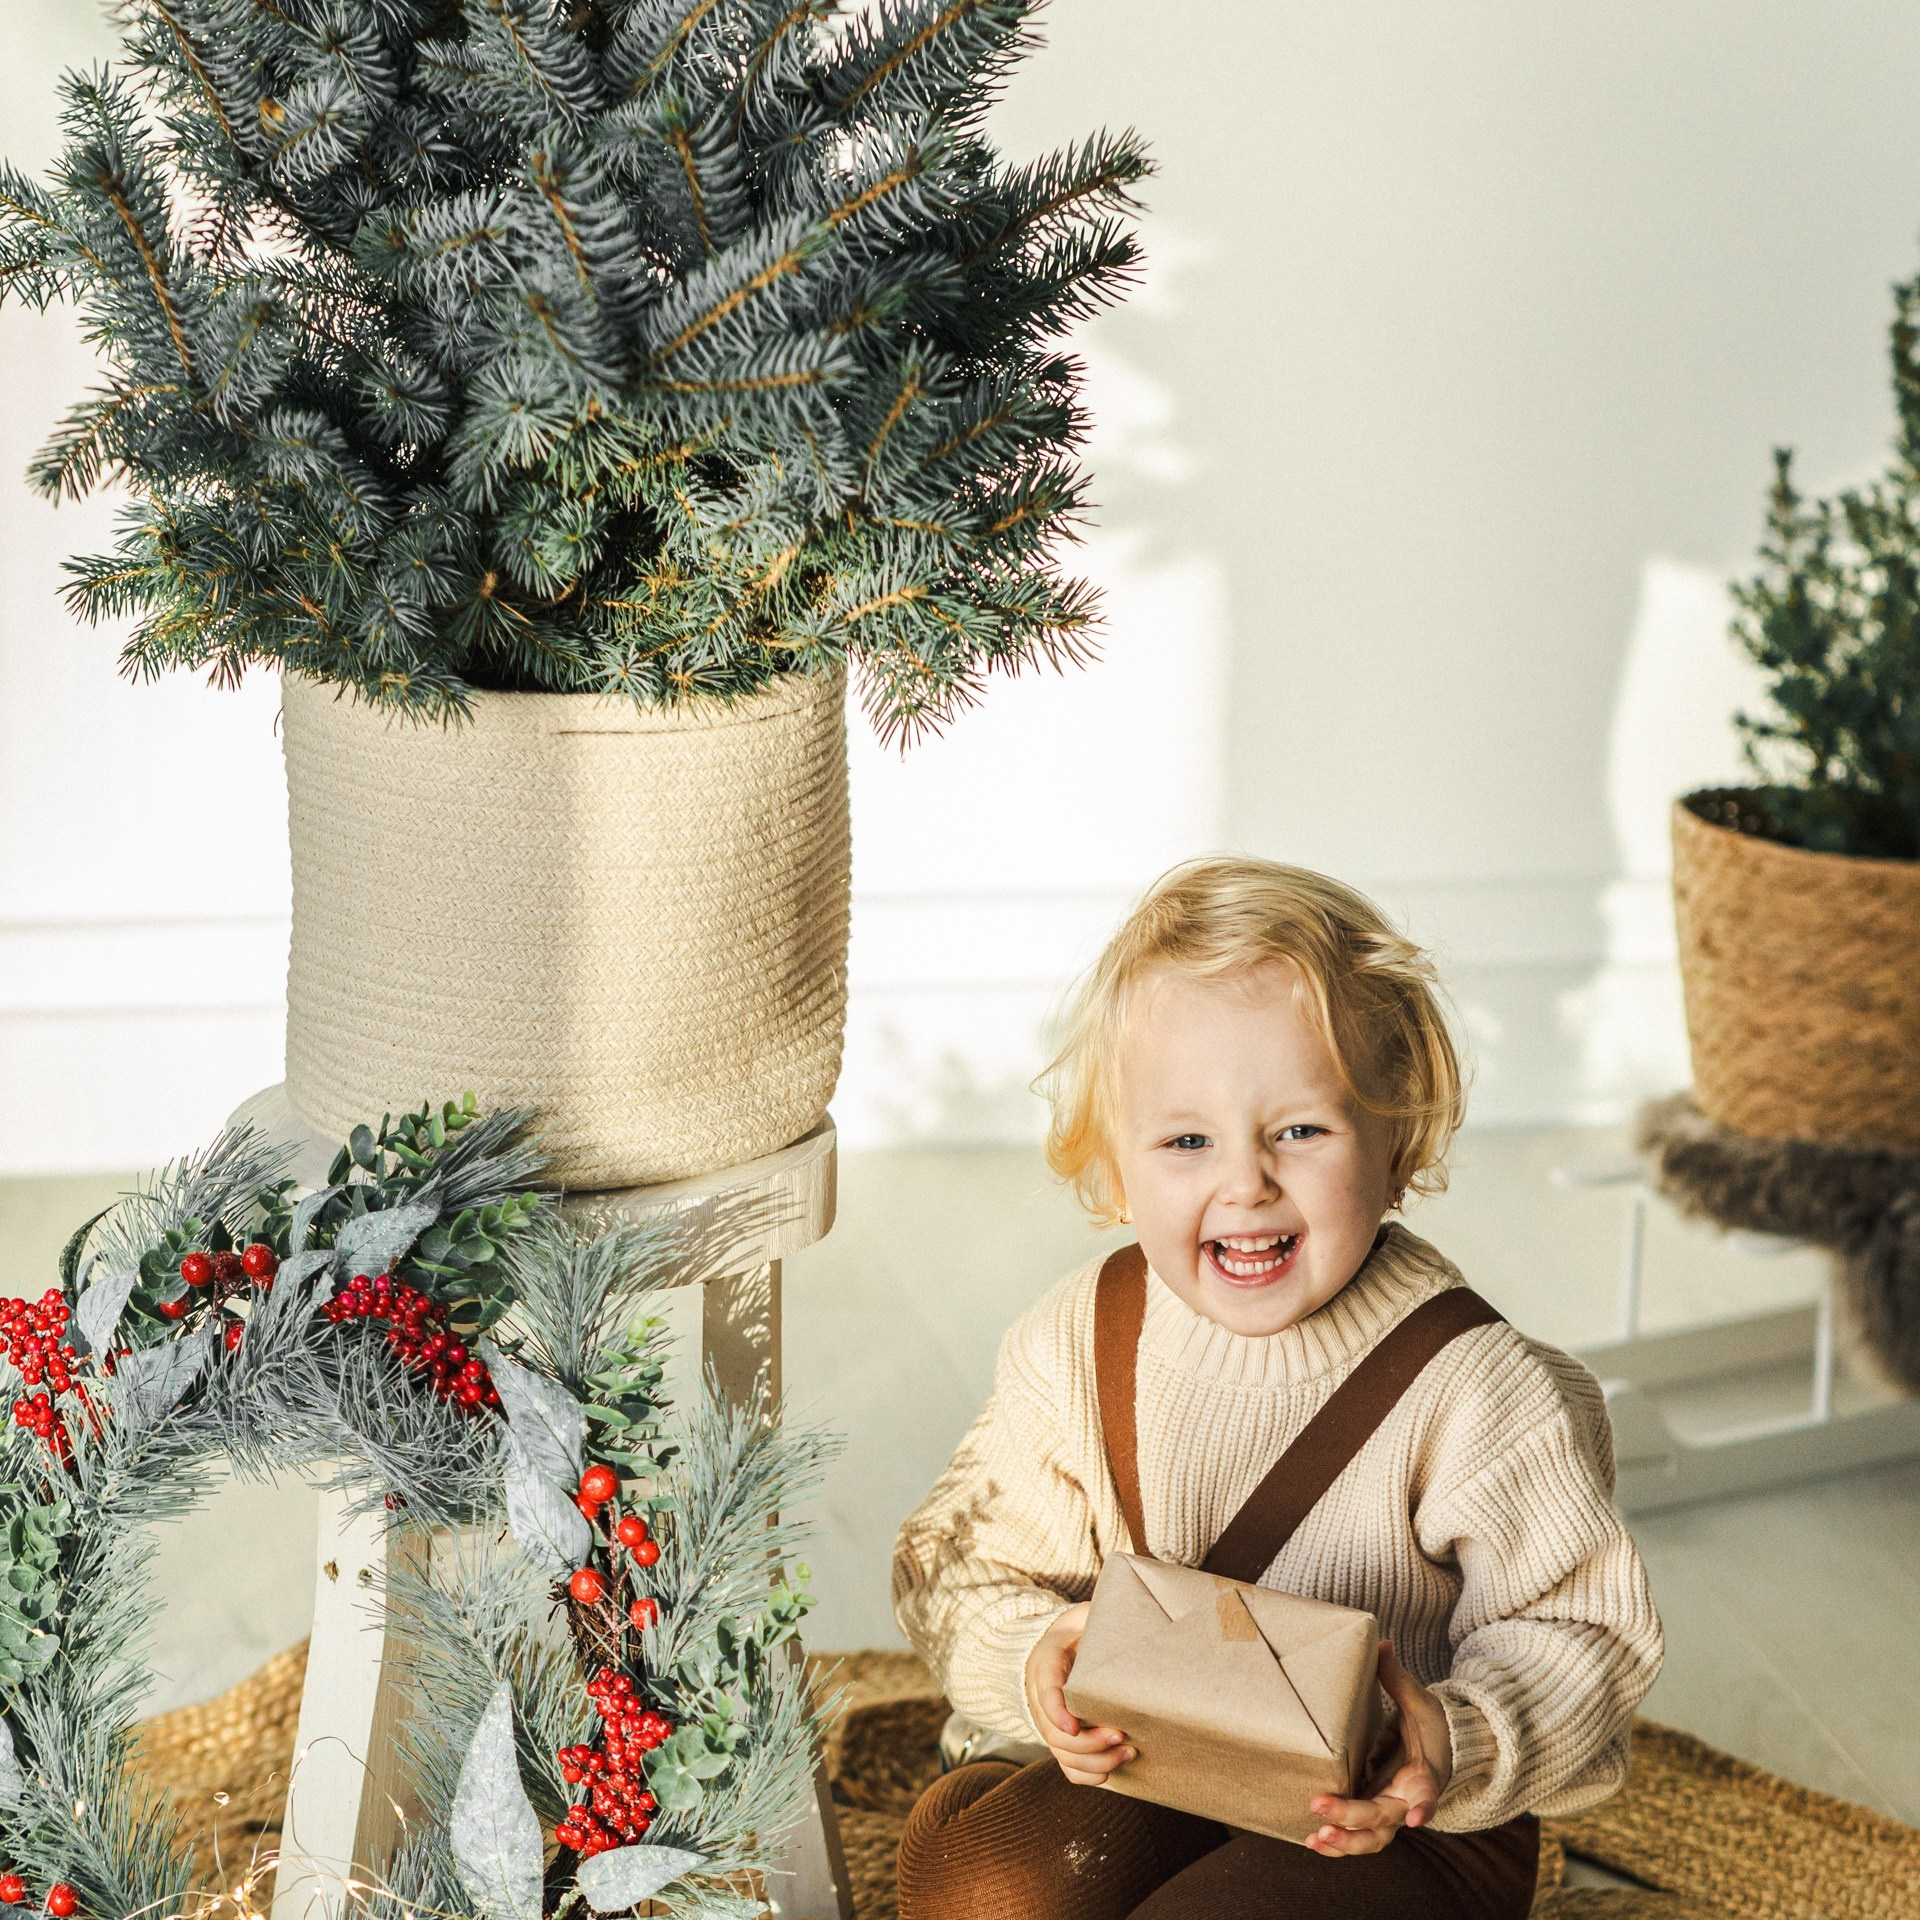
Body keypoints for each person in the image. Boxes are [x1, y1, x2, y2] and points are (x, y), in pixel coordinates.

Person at [890, 857, 1663, 1920]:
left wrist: (1450, 1736)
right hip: (1159, 1760)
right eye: (1186, 1140)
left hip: (1389, 1822)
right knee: (989, 1885)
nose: (1245, 1182)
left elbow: (1586, 1636)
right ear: (1116, 1163)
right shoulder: (1084, 1338)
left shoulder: (1475, 1385)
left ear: (1400, 1139)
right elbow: (957, 1565)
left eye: (1300, 1130)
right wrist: (1037, 1659)